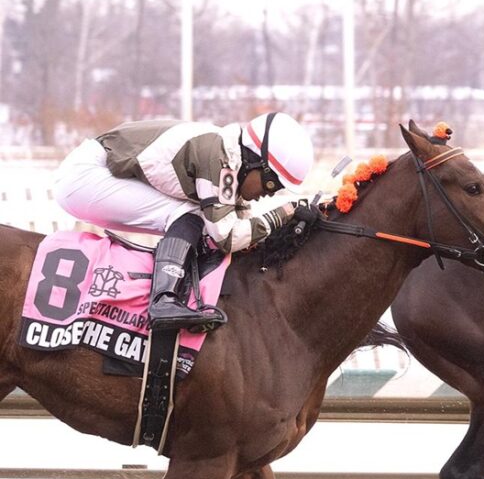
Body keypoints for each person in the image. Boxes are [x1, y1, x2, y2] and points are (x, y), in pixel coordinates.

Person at [53, 112, 314, 331]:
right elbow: (228, 237)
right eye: (271, 183)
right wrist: (283, 214)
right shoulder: (219, 157)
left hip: (97, 171)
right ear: (255, 160)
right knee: (190, 215)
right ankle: (163, 300)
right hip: (85, 177)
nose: (268, 193)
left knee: (201, 217)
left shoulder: (232, 157)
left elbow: (243, 230)